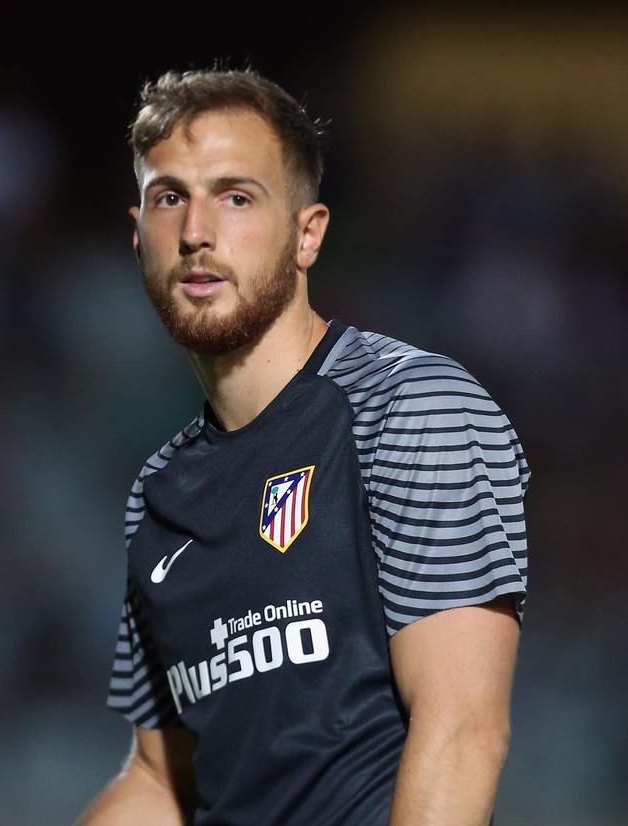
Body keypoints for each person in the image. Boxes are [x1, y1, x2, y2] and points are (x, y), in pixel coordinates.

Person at [75, 65, 530, 826]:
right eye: (169, 198)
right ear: (138, 233)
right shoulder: (156, 492)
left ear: (308, 233)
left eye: (237, 197)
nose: (195, 232)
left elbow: (461, 730)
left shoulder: (411, 404)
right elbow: (162, 781)